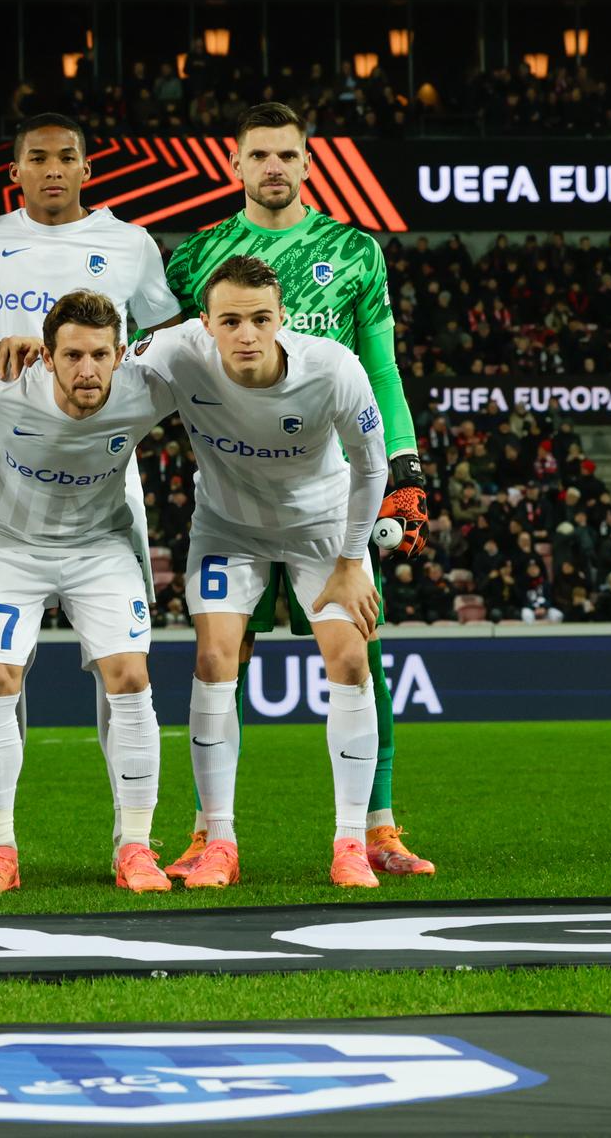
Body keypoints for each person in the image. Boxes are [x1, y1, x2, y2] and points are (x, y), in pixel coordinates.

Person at [162, 100, 434, 881]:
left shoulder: (354, 250)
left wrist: (405, 465)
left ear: (308, 164)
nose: (274, 167)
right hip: (235, 481)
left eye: (288, 154)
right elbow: (167, 355)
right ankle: (207, 831)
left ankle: (376, 827)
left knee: (360, 649)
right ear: (236, 165)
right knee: (223, 649)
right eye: (260, 155)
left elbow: (378, 363)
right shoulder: (199, 256)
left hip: (332, 478)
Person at [0, 112, 184, 880]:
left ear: (88, 168)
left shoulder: (132, 244)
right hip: (10, 478)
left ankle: (134, 840)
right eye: (38, 158)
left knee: (125, 673)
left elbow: (170, 340)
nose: (54, 169)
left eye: (68, 158)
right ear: (13, 169)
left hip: (105, 488)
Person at [130, 255, 388, 889]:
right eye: (231, 321)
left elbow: (372, 465)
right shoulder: (174, 349)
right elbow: (98, 364)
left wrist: (354, 563)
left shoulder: (332, 367)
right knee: (215, 659)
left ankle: (351, 843)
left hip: (322, 530)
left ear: (281, 319)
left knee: (351, 662)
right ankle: (219, 840)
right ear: (207, 323)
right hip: (229, 529)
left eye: (260, 319)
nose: (246, 334)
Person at [0, 290, 177, 895]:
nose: (87, 370)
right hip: (9, 546)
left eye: (99, 354)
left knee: (130, 677)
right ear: (46, 355)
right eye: (72, 355)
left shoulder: (146, 388)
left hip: (100, 546)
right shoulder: (2, 382)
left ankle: (137, 846)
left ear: (120, 354)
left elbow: (208, 343)